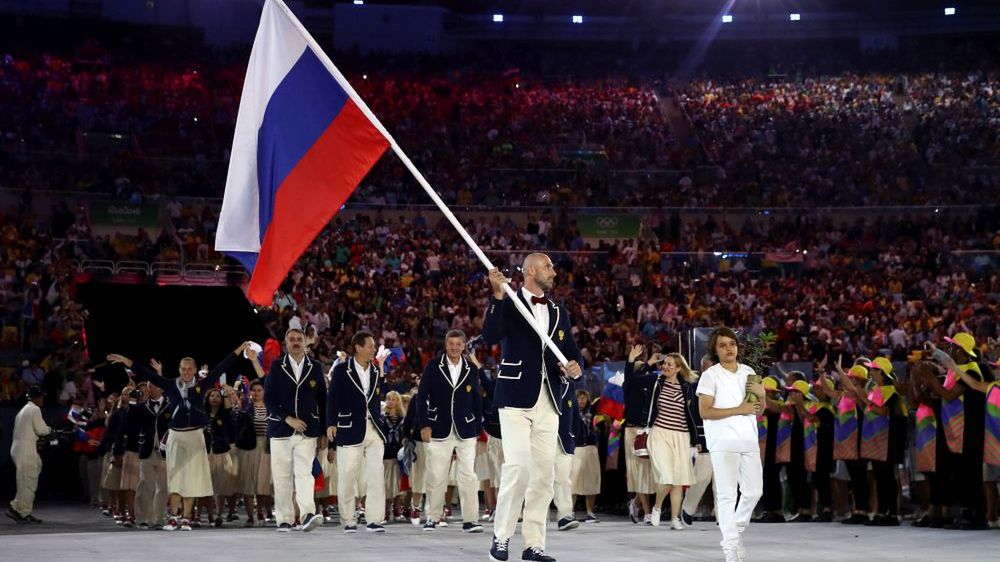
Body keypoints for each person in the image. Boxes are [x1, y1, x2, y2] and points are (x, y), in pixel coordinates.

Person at [483, 253, 583, 562]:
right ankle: (501, 538)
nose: (554, 272)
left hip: (550, 399)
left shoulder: (557, 310)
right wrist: (498, 296)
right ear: (529, 271)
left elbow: (570, 352)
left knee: (543, 474)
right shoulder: (510, 302)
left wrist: (575, 366)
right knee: (519, 467)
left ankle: (533, 544)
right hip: (514, 397)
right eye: (548, 266)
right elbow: (490, 336)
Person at [107, 342, 247, 531]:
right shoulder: (170, 384)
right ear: (179, 369)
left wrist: (240, 349)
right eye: (183, 368)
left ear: (195, 370)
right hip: (176, 437)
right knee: (176, 478)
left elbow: (221, 367)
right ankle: (173, 518)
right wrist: (126, 360)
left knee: (193, 479)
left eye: (190, 369)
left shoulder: (201, 385)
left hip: (196, 437)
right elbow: (148, 374)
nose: (186, 371)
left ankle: (186, 519)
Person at [696, 327, 765, 562]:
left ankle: (734, 533)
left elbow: (757, 409)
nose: (729, 348)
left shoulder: (749, 371)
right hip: (723, 441)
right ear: (715, 350)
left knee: (754, 491)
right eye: (723, 345)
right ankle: (731, 549)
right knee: (726, 496)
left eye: (732, 344)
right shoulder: (710, 375)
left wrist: (762, 395)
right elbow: (704, 411)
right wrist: (739, 409)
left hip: (748, 439)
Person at [416, 329, 484, 533]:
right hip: (438, 428)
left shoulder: (471, 368)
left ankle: (470, 520)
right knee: (436, 475)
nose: (454, 347)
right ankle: (432, 517)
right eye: (451, 343)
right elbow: (421, 397)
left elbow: (477, 401)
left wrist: (479, 432)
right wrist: (424, 424)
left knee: (468, 476)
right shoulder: (433, 366)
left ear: (464, 346)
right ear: (446, 345)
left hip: (466, 428)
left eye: (458, 344)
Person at [264, 327, 327, 533]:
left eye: (299, 339)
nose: (296, 342)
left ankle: (307, 514)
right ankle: (284, 519)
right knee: (282, 476)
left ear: (305, 342)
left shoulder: (315, 366)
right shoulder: (276, 366)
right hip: (281, 429)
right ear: (286, 343)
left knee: (304, 474)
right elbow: (269, 399)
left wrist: (325, 431)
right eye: (292, 339)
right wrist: (288, 418)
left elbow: (322, 400)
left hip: (308, 430)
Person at [326, 331, 390, 533]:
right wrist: (331, 423)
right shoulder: (342, 370)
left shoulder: (375, 370)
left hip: (374, 429)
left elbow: (377, 395)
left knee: (376, 474)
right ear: (358, 348)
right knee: (347, 475)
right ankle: (348, 519)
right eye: (370, 346)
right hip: (349, 427)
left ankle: (374, 519)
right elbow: (333, 399)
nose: (374, 349)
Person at [643, 352, 699, 529]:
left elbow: (693, 415)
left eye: (670, 364)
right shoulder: (656, 382)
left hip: (682, 436)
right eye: (664, 363)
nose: (665, 366)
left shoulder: (688, 388)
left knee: (678, 480)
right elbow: (634, 378)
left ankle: (675, 518)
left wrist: (696, 438)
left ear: (679, 368)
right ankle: (657, 508)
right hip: (660, 433)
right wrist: (647, 364)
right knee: (666, 476)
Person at [623, 344, 658, 524]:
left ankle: (636, 502)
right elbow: (631, 377)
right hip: (632, 431)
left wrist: (650, 364)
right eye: (642, 370)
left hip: (647, 431)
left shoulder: (650, 387)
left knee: (649, 473)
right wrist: (631, 361)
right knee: (639, 472)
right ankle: (646, 512)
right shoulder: (629, 385)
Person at [7, 386, 52, 523]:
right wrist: (51, 430)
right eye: (41, 396)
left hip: (21, 447)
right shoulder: (34, 409)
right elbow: (41, 429)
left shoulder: (24, 409)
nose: (43, 398)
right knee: (28, 481)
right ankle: (23, 513)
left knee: (27, 477)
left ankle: (17, 506)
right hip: (25, 448)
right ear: (37, 397)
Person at [134, 381, 170, 529]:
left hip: (165, 452)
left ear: (162, 388)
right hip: (147, 450)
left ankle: (158, 519)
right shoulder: (142, 406)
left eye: (154, 387)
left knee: (163, 487)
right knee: (145, 485)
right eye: (150, 388)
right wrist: (132, 402)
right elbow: (132, 423)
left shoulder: (171, 404)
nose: (151, 390)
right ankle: (142, 518)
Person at [553, 379, 581, 532]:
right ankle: (536, 516)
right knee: (539, 479)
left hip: (564, 440)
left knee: (563, 479)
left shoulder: (570, 385)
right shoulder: (540, 379)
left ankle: (565, 515)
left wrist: (572, 438)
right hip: (541, 438)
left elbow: (575, 415)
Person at [571, 389, 601, 524]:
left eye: (584, 398)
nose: (581, 401)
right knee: (572, 482)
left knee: (591, 481)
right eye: (579, 398)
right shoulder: (570, 412)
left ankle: (590, 512)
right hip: (576, 448)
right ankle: (569, 512)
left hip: (590, 448)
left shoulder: (594, 412)